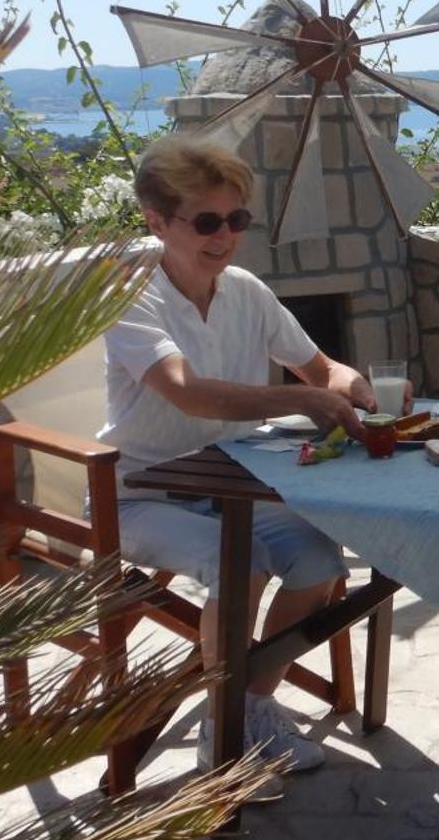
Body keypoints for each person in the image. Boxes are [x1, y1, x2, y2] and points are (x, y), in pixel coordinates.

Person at [103, 136, 377, 785]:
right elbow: (185, 391)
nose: (224, 235)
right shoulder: (132, 297)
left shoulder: (246, 291)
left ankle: (247, 708)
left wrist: (356, 388)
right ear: (156, 221)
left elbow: (321, 369)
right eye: (205, 221)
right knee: (241, 563)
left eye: (236, 220)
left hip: (233, 487)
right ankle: (223, 740)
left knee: (318, 560)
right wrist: (300, 397)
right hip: (140, 495)